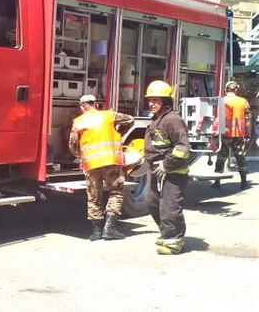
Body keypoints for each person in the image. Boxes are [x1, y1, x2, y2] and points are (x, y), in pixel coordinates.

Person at [68, 94, 134, 241]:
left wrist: (81, 155)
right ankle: (109, 228)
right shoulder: (109, 116)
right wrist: (119, 132)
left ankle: (96, 231)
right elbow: (130, 119)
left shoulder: (78, 122)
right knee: (116, 192)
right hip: (110, 161)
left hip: (91, 165)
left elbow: (72, 144)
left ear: (82, 107)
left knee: (93, 196)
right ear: (95, 104)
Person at [143, 80, 191, 255]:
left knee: (170, 207)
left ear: (166, 102)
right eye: (150, 100)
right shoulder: (156, 120)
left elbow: (183, 148)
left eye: (156, 100)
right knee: (152, 203)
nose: (151, 104)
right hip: (156, 171)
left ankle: (174, 241)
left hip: (173, 173)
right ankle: (167, 233)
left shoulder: (173, 120)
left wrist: (166, 164)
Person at [212, 80, 251, 190]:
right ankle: (243, 182)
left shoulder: (221, 101)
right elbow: (248, 119)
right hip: (239, 135)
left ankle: (217, 182)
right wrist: (248, 133)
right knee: (240, 158)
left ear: (226, 90)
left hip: (224, 134)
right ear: (236, 90)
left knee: (221, 158)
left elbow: (216, 118)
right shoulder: (243, 102)